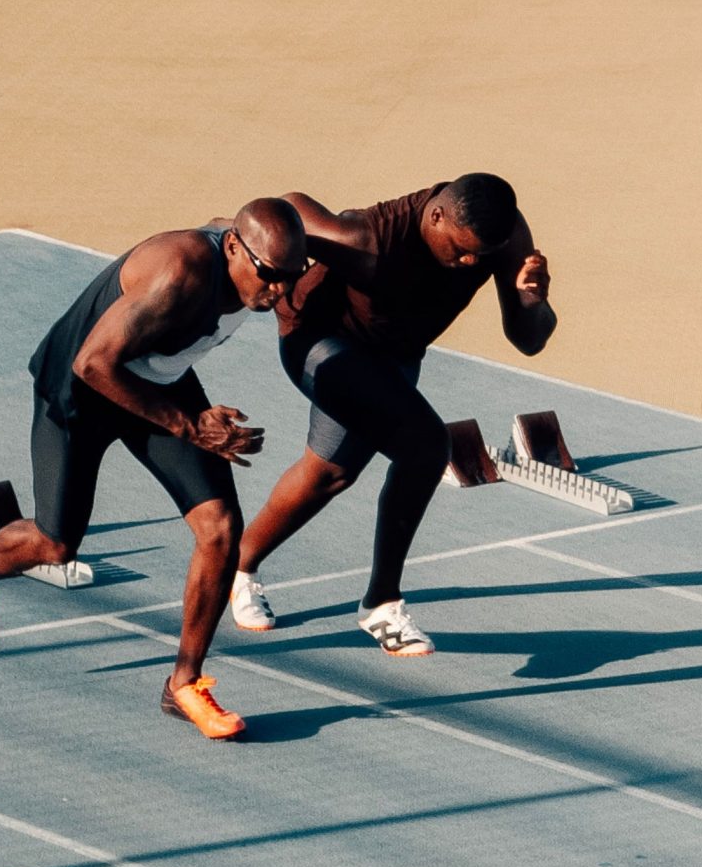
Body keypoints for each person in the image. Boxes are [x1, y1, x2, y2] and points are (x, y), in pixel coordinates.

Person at [0, 197, 312, 740]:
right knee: (56, 543)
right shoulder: (179, 272)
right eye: (269, 276)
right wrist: (190, 426)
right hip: (79, 394)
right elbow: (93, 363)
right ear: (233, 246)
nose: (279, 292)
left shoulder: (264, 255)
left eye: (290, 277)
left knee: (220, 528)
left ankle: (185, 683)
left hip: (157, 381)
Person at [226, 173, 554, 655]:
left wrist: (534, 299)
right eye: (462, 251)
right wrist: (217, 244)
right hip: (320, 339)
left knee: (329, 473)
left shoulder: (500, 236)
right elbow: (287, 208)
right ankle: (381, 603)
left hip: (392, 355)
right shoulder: (369, 239)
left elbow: (529, 339)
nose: (470, 263)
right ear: (436, 216)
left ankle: (238, 566)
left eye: (480, 256)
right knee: (424, 446)